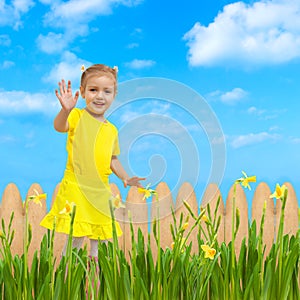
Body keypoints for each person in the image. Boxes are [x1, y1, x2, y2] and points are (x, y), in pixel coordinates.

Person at [40, 64, 145, 259]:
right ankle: (69, 286)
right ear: (82, 92)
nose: (99, 96)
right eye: (93, 90)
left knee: (100, 246)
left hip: (100, 191)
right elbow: (59, 126)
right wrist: (65, 110)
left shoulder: (111, 130)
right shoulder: (77, 116)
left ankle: (96, 287)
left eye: (107, 91)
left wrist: (125, 178)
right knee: (75, 241)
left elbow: (112, 159)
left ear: (114, 95)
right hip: (77, 188)